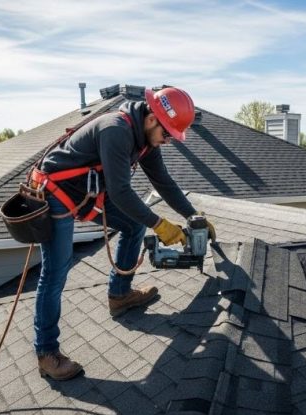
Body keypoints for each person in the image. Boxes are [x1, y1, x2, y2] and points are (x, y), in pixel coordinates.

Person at [31, 86, 215, 380]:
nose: (167, 141)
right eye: (167, 134)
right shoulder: (115, 129)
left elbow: (164, 182)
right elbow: (120, 193)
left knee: (132, 225)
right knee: (55, 272)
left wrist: (192, 216)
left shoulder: (146, 141)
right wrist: (160, 224)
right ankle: (46, 353)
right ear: (152, 118)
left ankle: (120, 294)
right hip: (56, 192)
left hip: (85, 193)